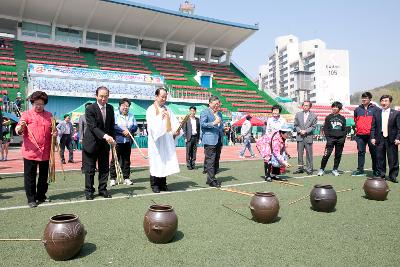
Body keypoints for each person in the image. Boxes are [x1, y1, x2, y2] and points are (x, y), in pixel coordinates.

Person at [15, 91, 56, 208]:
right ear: (32, 103)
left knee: (43, 176)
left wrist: (55, 133)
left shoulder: (49, 115)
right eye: (36, 104)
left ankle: (41, 195)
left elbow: (53, 130)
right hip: (30, 152)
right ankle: (31, 198)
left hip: (46, 151)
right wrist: (21, 127)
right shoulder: (26, 115)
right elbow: (18, 130)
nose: (39, 106)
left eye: (41, 104)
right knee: (30, 176)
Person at [82, 86, 116, 200]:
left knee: (104, 168)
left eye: (106, 96)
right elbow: (93, 127)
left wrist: (113, 139)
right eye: (101, 96)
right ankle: (89, 191)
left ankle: (102, 189)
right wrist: (105, 136)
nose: (103, 98)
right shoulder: (90, 108)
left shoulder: (110, 108)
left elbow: (111, 126)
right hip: (91, 143)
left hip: (104, 145)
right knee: (90, 169)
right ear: (96, 96)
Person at [146, 88, 181, 193]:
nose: (164, 99)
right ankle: (155, 184)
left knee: (165, 161)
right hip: (156, 141)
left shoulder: (167, 109)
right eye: (162, 97)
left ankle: (163, 183)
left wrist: (176, 131)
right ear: (156, 97)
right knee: (156, 161)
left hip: (166, 140)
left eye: (165, 97)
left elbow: (174, 123)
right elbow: (152, 126)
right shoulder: (151, 109)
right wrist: (160, 118)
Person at [371, 95, 400, 183]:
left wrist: (398, 138)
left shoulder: (396, 113)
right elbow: (373, 127)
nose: (384, 103)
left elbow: (399, 127)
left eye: (386, 101)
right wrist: (372, 137)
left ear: (390, 102)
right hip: (379, 138)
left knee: (393, 159)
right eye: (382, 101)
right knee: (380, 158)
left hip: (392, 139)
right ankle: (381, 175)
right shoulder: (376, 112)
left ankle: (393, 176)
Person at [109, 98, 138, 186]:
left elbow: (135, 126)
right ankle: (113, 178)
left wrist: (128, 130)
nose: (125, 107)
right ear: (120, 106)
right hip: (117, 141)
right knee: (115, 159)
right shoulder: (115, 114)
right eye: (123, 105)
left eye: (127, 106)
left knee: (126, 160)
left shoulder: (131, 115)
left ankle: (126, 178)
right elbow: (113, 126)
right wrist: (123, 132)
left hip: (128, 141)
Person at [351, 92, 380, 176]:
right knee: (360, 152)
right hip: (360, 135)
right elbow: (356, 120)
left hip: (372, 135)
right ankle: (360, 170)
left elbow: (378, 122)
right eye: (362, 98)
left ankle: (376, 170)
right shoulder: (357, 109)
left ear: (370, 99)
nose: (363, 99)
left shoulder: (376, 109)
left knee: (374, 153)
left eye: (366, 98)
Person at [317, 101, 347, 176]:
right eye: (333, 107)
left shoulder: (342, 118)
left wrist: (343, 138)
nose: (334, 108)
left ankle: (335, 169)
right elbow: (325, 129)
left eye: (336, 107)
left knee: (338, 155)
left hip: (340, 140)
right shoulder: (328, 117)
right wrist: (328, 138)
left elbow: (344, 129)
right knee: (326, 154)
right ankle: (321, 169)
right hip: (330, 139)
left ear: (339, 108)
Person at [200, 96, 224, 187]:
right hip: (209, 140)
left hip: (218, 139)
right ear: (210, 103)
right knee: (210, 160)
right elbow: (202, 125)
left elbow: (220, 126)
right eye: (215, 104)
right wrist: (214, 123)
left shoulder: (220, 114)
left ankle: (210, 178)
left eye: (218, 104)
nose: (217, 106)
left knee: (216, 160)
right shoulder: (205, 112)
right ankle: (212, 180)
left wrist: (223, 128)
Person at [293, 101, 317, 175]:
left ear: (310, 107)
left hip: (308, 136)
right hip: (300, 136)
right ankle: (300, 168)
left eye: (307, 105)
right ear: (302, 106)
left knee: (309, 154)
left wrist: (306, 131)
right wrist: (299, 130)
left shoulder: (314, 115)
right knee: (300, 154)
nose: (305, 106)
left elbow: (313, 126)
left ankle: (309, 169)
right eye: (304, 105)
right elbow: (295, 125)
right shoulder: (298, 114)